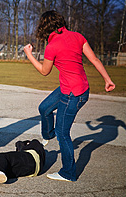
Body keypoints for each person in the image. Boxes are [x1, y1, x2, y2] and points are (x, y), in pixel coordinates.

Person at [23, 10, 115, 182]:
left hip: (73, 94)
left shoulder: (52, 46)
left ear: (44, 27)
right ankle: (48, 136)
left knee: (63, 133)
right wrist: (107, 80)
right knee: (44, 108)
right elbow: (94, 59)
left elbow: (44, 71)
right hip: (77, 88)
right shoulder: (77, 36)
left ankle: (68, 173)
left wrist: (29, 54)